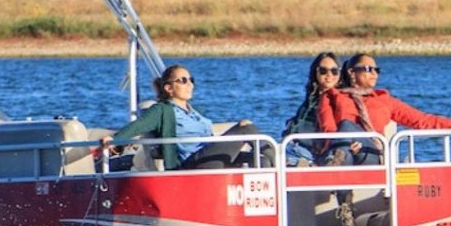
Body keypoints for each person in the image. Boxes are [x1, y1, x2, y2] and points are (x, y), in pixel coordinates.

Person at [316, 53, 451, 226]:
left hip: (370, 153)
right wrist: (347, 142)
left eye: (376, 70)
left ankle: (336, 165)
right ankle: (348, 222)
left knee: (344, 140)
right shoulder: (333, 96)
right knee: (345, 130)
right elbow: (328, 130)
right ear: (351, 73)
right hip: (343, 148)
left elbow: (421, 120)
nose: (373, 74)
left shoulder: (383, 100)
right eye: (367, 69)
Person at [103, 64, 271, 170]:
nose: (189, 84)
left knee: (262, 162)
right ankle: (280, 159)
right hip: (193, 162)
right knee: (245, 127)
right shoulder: (163, 110)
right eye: (183, 80)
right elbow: (139, 125)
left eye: (191, 80)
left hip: (210, 156)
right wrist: (114, 139)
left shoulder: (193, 112)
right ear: (169, 88)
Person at [281, 52, 341, 165]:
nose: (329, 75)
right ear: (315, 72)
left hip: (308, 151)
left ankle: (304, 164)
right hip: (291, 145)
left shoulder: (340, 99)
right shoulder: (311, 98)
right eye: (323, 70)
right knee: (248, 130)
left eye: (334, 71)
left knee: (271, 159)